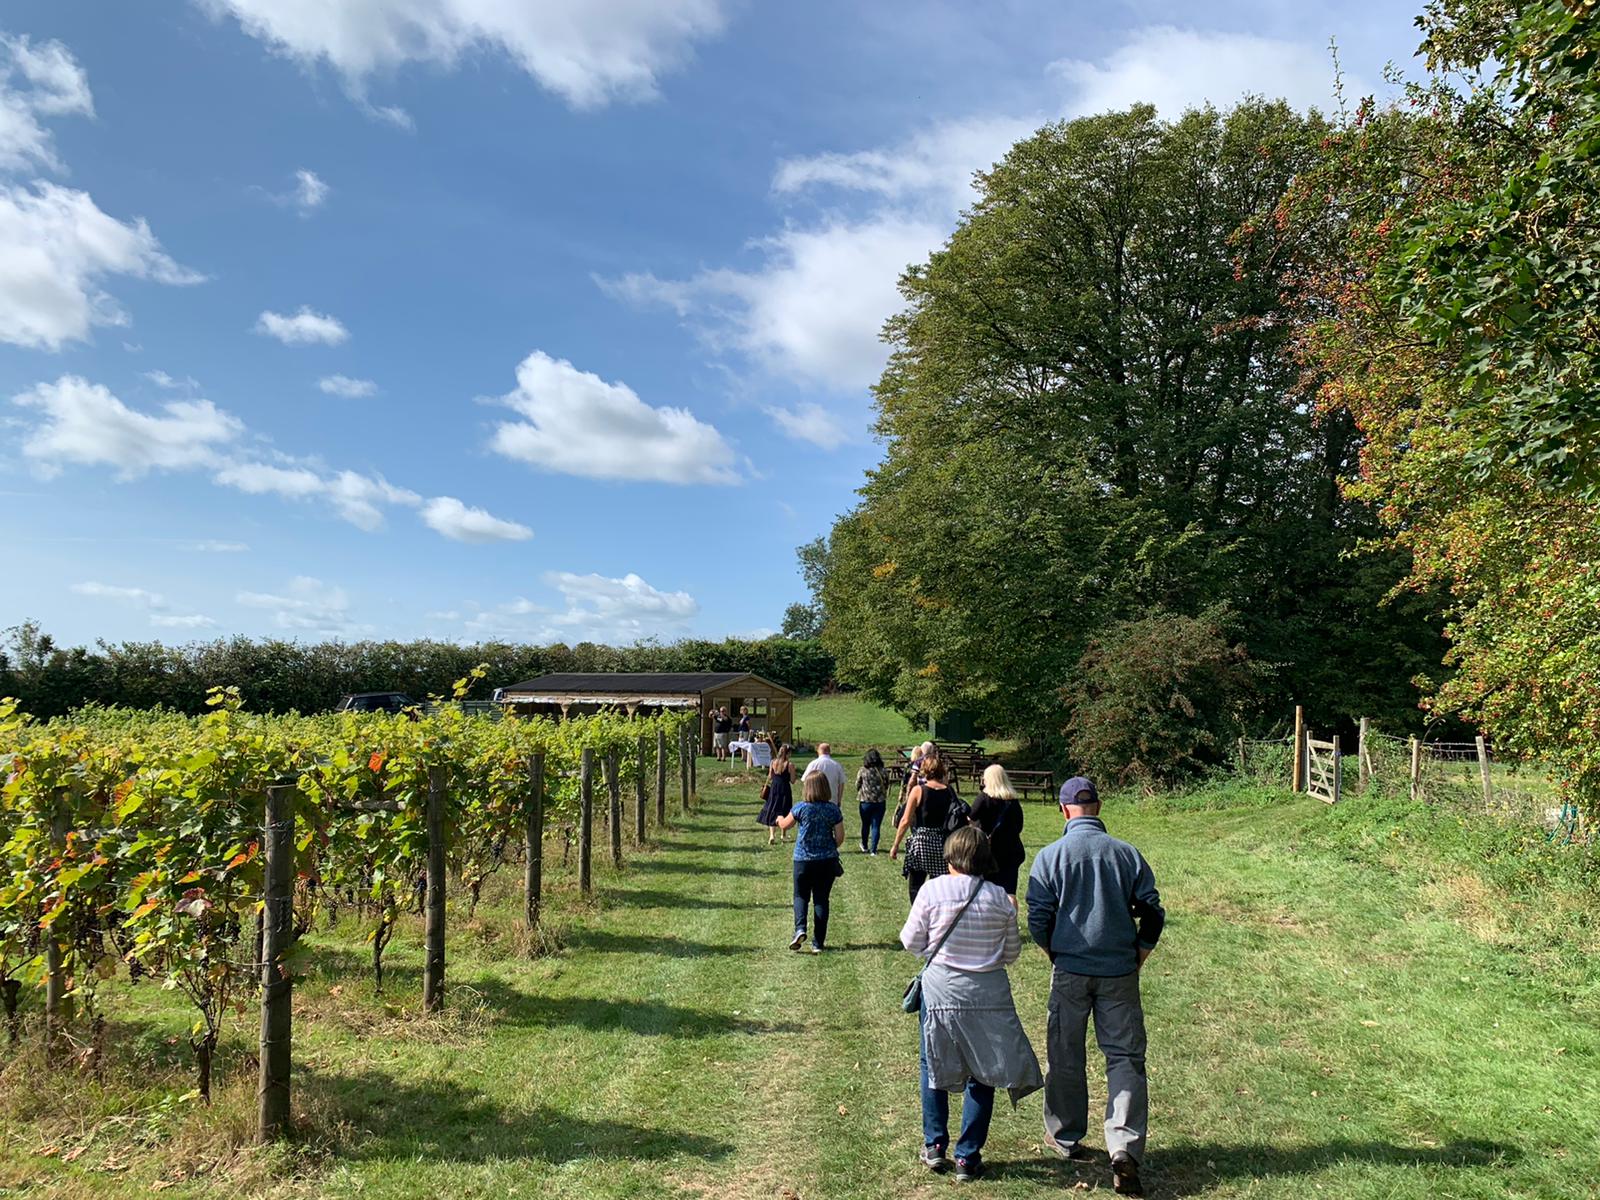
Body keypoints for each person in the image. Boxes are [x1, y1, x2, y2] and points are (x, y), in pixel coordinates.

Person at [1026, 777, 1165, 1198]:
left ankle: (1066, 1136)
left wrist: (1052, 951)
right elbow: (1153, 912)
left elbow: (1038, 917)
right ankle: (1123, 1147)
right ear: (1098, 807)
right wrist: (1140, 952)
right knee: (1124, 1056)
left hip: (1070, 968)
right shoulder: (1127, 854)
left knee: (1065, 1053)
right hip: (1119, 971)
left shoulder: (1050, 857)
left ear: (1065, 810)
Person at [900, 825, 1042, 1183]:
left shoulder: (933, 890)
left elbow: (911, 941)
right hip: (988, 995)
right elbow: (1010, 953)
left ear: (951, 858)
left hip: (942, 990)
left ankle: (934, 1145)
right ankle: (967, 1157)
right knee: (984, 1072)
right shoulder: (1000, 898)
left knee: (932, 1062)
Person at [776, 773, 843, 953]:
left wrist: (779, 818)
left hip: (802, 860)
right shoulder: (833, 810)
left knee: (800, 896)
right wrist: (828, 845)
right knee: (821, 900)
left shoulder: (801, 808)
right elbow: (840, 837)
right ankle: (818, 943)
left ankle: (800, 929)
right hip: (826, 861)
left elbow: (784, 825)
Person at [888, 755, 961, 902]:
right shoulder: (949, 791)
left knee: (916, 885)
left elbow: (905, 820)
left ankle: (918, 913)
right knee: (940, 885)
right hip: (942, 841)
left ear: (924, 771)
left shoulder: (918, 791)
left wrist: (895, 844)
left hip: (922, 841)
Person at [971, 764, 1026, 904]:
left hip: (990, 851)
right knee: (1009, 892)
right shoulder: (1013, 801)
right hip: (1011, 850)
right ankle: (1011, 922)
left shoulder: (984, 798)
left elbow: (971, 817)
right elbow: (1019, 826)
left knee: (986, 889)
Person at [756, 744, 796, 845]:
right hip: (784, 789)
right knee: (784, 810)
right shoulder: (789, 765)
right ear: (787, 753)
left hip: (774, 789)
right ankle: (783, 835)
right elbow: (793, 780)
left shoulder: (773, 762)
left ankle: (772, 835)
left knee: (772, 809)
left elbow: (770, 776)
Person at [856, 748, 891, 855]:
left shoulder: (863, 770)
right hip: (879, 802)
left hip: (865, 802)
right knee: (876, 826)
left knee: (865, 824)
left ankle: (865, 845)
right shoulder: (883, 771)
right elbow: (887, 784)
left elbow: (857, 784)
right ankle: (874, 850)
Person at [801, 742, 847, 809]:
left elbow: (805, 781)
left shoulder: (813, 764)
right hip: (832, 800)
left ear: (818, 751)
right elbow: (841, 784)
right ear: (829, 751)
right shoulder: (837, 765)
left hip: (815, 800)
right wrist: (839, 800)